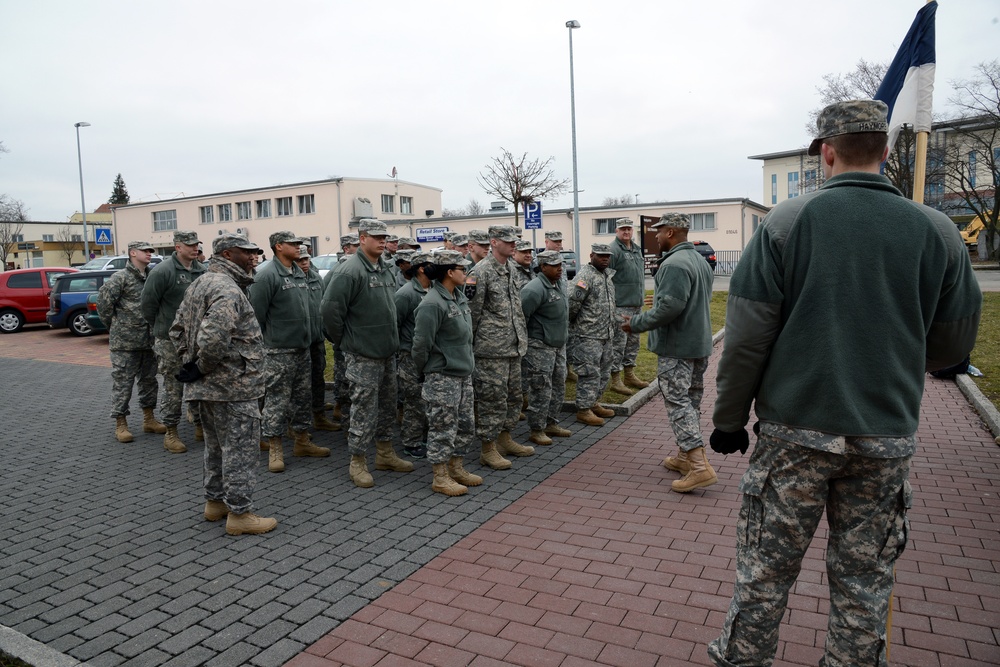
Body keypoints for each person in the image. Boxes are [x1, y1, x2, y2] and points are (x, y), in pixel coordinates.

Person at [706, 100, 982, 667]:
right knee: (864, 582)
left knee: (764, 573)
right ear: (886, 152)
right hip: (885, 436)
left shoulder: (785, 223)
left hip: (794, 435)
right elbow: (952, 351)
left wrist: (729, 420)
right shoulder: (939, 232)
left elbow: (747, 340)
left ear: (826, 153)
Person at [169, 233, 277, 536]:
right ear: (228, 255)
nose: (253, 257)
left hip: (209, 387)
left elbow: (176, 330)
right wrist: (201, 365)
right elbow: (214, 337)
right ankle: (240, 514)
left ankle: (215, 503)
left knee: (216, 447)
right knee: (240, 449)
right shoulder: (225, 288)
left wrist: (191, 365)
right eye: (247, 253)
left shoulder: (200, 283)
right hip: (233, 388)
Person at [622, 213, 716, 493]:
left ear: (672, 233)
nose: (657, 237)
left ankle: (698, 467)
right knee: (691, 401)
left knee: (678, 403)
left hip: (677, 347)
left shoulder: (674, 263)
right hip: (697, 343)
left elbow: (670, 308)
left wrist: (636, 323)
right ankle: (686, 457)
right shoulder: (699, 260)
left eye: (660, 232)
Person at [322, 218, 412, 488]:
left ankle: (385, 453)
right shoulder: (349, 271)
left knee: (386, 405)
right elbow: (329, 312)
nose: (382, 240)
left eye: (384, 236)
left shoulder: (384, 268)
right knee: (362, 409)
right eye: (376, 236)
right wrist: (347, 341)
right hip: (362, 354)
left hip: (387, 351)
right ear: (361, 238)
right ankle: (358, 461)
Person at [250, 231, 329, 474]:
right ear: (278, 246)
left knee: (302, 397)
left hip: (302, 347)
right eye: (293, 244)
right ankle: (275, 446)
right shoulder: (267, 275)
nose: (299, 247)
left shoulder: (299, 272)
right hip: (277, 351)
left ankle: (302, 440)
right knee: (277, 399)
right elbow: (255, 316)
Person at [411, 250, 482, 496]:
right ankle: (440, 476)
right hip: (442, 376)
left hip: (463, 374)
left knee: (464, 424)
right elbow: (420, 346)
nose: (466, 272)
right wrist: (426, 372)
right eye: (462, 269)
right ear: (449, 273)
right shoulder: (432, 303)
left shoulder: (458, 298)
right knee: (443, 426)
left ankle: (456, 467)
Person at [466, 225, 532, 468]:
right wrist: (470, 348)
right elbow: (471, 313)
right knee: (491, 399)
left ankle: (505, 438)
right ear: (493, 242)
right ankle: (488, 447)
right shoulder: (479, 272)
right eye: (507, 241)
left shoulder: (512, 269)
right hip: (490, 350)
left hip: (513, 346)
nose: (513, 244)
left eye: (515, 240)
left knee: (513, 397)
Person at [141, 230, 206, 453]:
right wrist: (163, 329)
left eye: (196, 244)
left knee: (199, 382)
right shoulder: (163, 272)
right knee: (174, 385)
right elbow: (148, 306)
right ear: (177, 247)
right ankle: (171, 431)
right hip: (169, 340)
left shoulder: (202, 270)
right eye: (189, 245)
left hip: (196, 339)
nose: (194, 248)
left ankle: (200, 425)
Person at [97, 240, 167, 443]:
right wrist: (116, 327)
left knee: (149, 381)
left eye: (150, 251)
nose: (149, 254)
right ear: (133, 253)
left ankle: (149, 418)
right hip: (125, 343)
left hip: (149, 341)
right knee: (123, 383)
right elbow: (104, 306)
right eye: (145, 251)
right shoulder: (120, 278)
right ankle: (121, 423)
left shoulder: (152, 277)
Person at [520, 250, 571, 446]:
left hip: (558, 345)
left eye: (561, 265)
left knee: (558, 384)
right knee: (541, 388)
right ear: (543, 267)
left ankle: (551, 422)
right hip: (539, 346)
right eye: (555, 265)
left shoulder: (557, 285)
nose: (560, 268)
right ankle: (537, 428)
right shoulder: (534, 289)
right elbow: (521, 318)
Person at [568, 244, 617, 426]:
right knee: (589, 373)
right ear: (591, 256)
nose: (605, 258)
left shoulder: (606, 275)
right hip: (588, 335)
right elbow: (573, 303)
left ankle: (594, 402)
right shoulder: (585, 276)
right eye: (601, 255)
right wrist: (577, 324)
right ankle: (583, 409)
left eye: (607, 256)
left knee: (604, 372)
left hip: (606, 333)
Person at [296, 245, 340, 433]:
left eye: (306, 259)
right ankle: (295, 423)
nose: (304, 263)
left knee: (318, 377)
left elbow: (323, 306)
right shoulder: (289, 280)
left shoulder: (315, 279)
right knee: (298, 384)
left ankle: (319, 415)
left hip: (316, 338)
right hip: (298, 341)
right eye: (300, 260)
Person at [394, 251, 433, 459]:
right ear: (421, 268)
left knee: (428, 398)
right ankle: (411, 441)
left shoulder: (434, 289)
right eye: (431, 265)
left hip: (430, 354)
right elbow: (395, 324)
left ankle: (425, 435)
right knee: (414, 400)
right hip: (410, 355)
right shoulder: (406, 294)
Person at [608, 218, 649, 395]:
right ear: (616, 231)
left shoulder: (637, 249)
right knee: (619, 343)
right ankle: (615, 379)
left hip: (636, 304)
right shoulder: (613, 250)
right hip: (620, 305)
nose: (626, 232)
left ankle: (629, 374)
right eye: (623, 229)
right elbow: (606, 277)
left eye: (629, 229)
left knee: (633, 342)